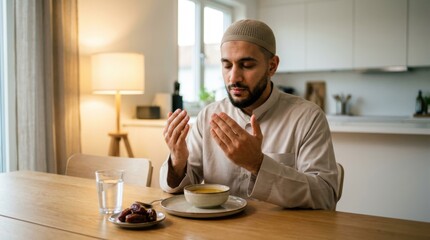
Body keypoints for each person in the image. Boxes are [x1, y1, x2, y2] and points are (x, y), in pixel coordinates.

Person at [160, 19, 338, 210]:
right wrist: (178, 162)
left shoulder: (307, 117)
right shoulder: (208, 116)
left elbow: (325, 196)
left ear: (272, 66)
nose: (234, 77)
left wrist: (258, 164)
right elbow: (182, 189)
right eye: (227, 65)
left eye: (246, 65)